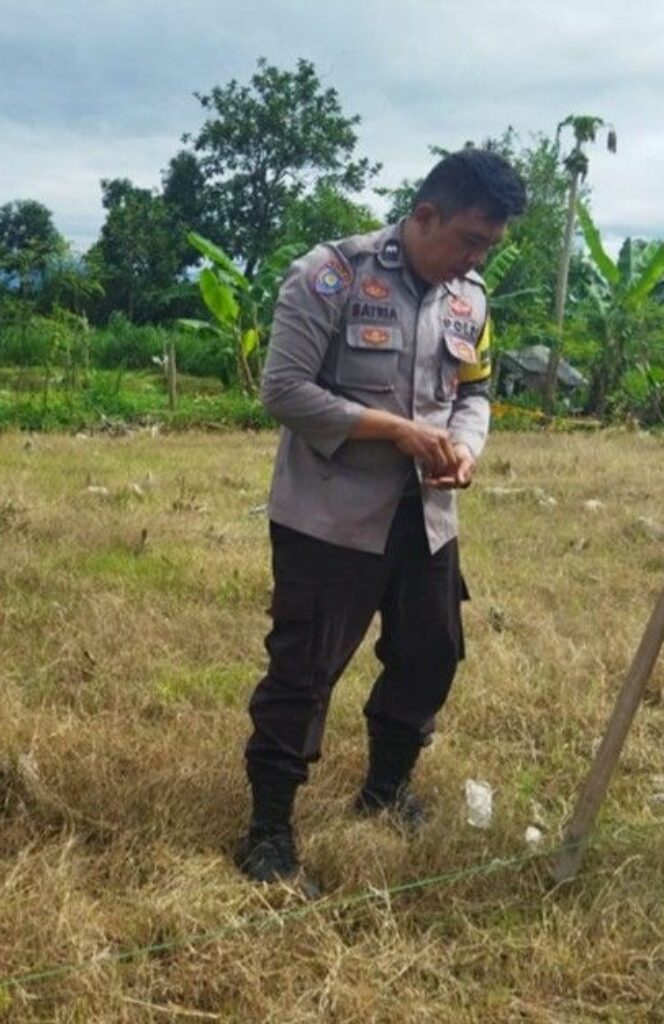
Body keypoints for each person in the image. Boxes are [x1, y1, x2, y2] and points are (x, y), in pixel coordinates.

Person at [236, 149, 527, 897]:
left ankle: (386, 789)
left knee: (431, 653)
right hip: (330, 519)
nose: (475, 257)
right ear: (424, 215)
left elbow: (476, 393)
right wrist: (393, 430)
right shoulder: (332, 274)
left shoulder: (471, 299)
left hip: (426, 518)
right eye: (468, 238)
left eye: (487, 246)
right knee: (304, 672)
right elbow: (284, 391)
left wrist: (465, 447)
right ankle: (269, 829)